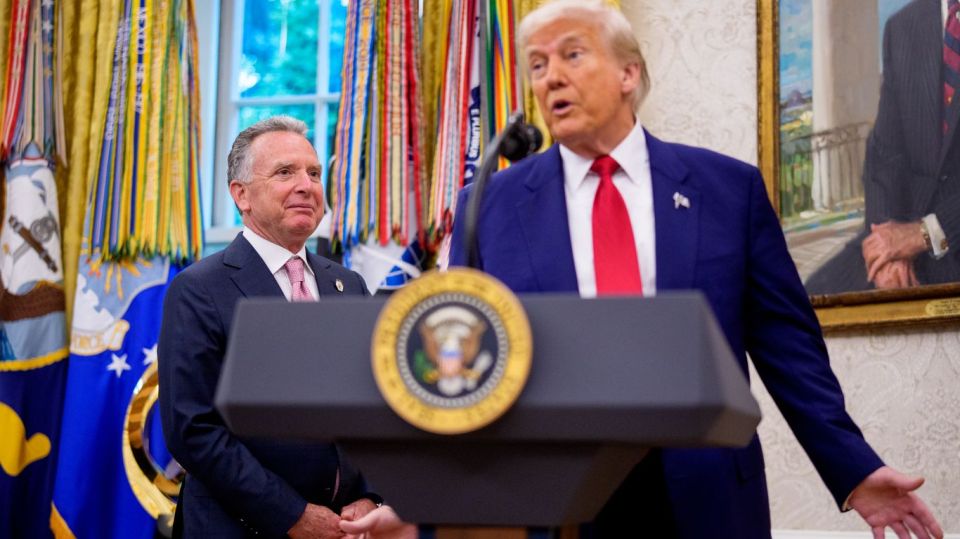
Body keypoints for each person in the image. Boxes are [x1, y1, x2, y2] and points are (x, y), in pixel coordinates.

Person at [448, 2, 945, 538]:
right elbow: (464, 368)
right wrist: (425, 500)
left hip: (706, 499)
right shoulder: (489, 207)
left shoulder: (728, 191)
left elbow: (789, 347)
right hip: (555, 503)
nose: (551, 78)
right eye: (538, 65)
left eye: (572, 55)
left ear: (628, 73)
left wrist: (853, 468)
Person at [159, 116, 379, 538]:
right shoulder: (199, 289)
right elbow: (193, 430)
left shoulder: (347, 285)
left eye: (314, 173)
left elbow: (373, 406)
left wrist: (370, 495)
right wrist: (291, 515)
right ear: (240, 194)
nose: (306, 186)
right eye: (285, 172)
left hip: (348, 528)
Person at [806, 0, 959, 294]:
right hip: (904, 229)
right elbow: (884, 153)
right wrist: (887, 249)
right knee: (811, 299)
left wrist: (926, 233)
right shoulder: (902, 27)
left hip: (951, 233)